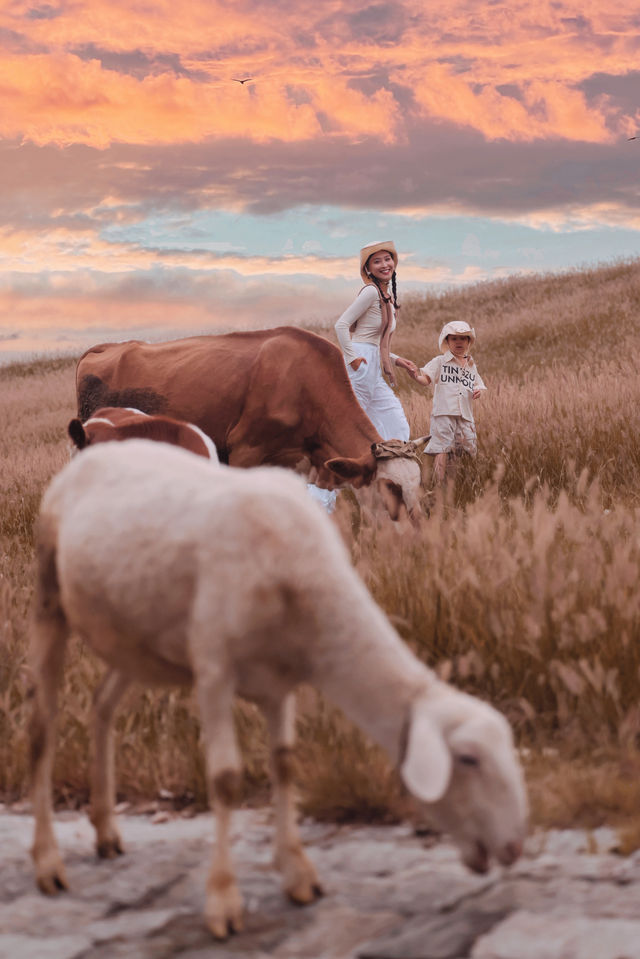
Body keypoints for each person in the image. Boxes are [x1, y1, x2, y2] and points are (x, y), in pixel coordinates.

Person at [334, 240, 417, 442]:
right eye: (377, 261)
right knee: (354, 419)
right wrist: (353, 359)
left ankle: (388, 466)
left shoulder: (387, 298)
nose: (384, 265)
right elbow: (341, 325)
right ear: (368, 269)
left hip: (373, 363)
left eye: (387, 259)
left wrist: (397, 360)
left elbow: (375, 343)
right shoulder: (371, 292)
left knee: (394, 419)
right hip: (361, 361)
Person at [410, 320, 486, 485]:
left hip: (465, 414)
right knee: (442, 448)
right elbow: (426, 379)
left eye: (463, 338)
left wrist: (477, 391)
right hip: (444, 412)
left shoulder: (471, 365)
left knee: (468, 447)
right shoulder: (440, 361)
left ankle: (459, 482)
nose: (459, 342)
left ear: (468, 341)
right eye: (454, 339)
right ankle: (439, 483)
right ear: (447, 341)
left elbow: (476, 385)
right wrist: (415, 376)